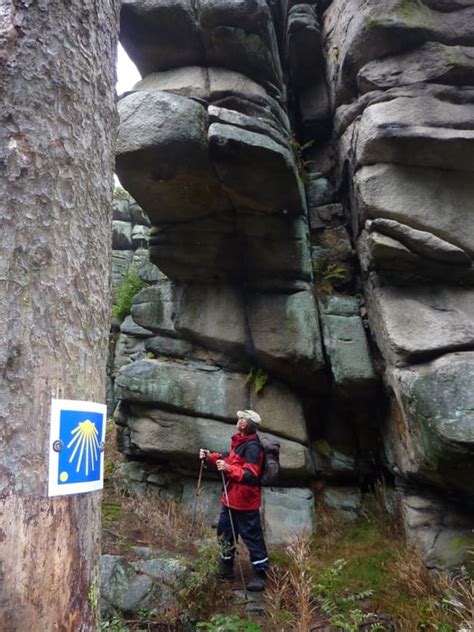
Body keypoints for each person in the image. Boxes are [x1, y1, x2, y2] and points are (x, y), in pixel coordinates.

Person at [199, 409, 269, 592]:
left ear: (245, 424)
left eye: (240, 419)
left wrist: (228, 469)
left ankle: (261, 575)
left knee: (252, 538)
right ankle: (226, 569)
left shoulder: (253, 446)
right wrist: (210, 457)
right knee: (225, 534)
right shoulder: (241, 441)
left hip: (245, 503)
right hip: (230, 500)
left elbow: (251, 474)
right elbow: (230, 459)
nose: (237, 420)